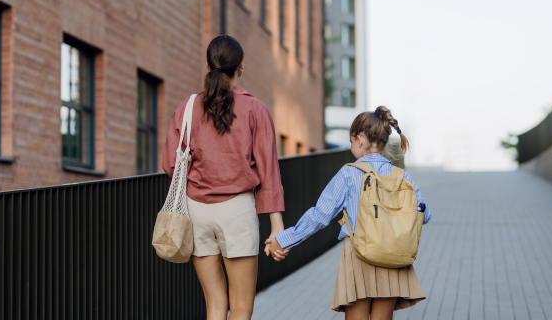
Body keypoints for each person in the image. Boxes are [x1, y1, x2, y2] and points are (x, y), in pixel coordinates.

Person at [162, 35, 286, 320]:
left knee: (215, 304)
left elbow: (170, 164)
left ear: (208, 65)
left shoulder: (188, 108)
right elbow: (269, 172)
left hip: (196, 212)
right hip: (237, 212)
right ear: (240, 67)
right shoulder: (256, 109)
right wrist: (276, 226)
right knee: (241, 307)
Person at [266, 107, 431, 320]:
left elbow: (319, 216)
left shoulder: (349, 173)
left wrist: (283, 239)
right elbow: (424, 216)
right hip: (394, 257)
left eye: (351, 141)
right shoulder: (403, 177)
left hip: (358, 255)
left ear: (359, 140)